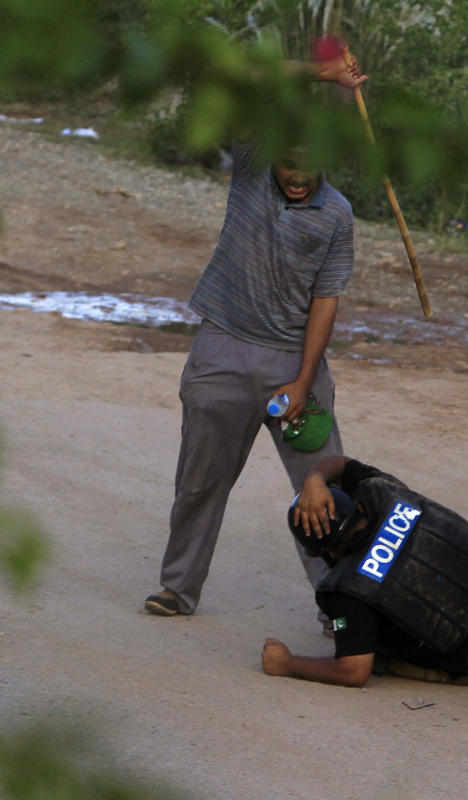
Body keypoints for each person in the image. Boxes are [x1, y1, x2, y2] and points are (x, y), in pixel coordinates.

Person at [143, 55, 367, 619]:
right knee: (199, 482)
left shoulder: (337, 215)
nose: (294, 177)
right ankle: (178, 588)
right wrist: (322, 74)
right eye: (287, 165)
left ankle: (339, 608)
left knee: (325, 491)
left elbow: (326, 301)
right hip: (221, 346)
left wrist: (303, 379)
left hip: (294, 363)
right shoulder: (251, 168)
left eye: (306, 168)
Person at [260, 456, 468, 687]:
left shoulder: (346, 590)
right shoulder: (382, 493)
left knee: (374, 655)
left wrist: (288, 663)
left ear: (329, 551)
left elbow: (353, 671)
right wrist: (315, 478)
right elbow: (342, 462)